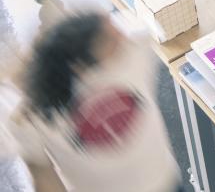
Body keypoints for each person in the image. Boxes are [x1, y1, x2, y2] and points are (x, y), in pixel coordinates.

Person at [3, 11, 181, 192]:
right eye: (109, 39)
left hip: (166, 184)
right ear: (80, 66)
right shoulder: (32, 119)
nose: (122, 39)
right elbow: (46, 183)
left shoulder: (133, 54)